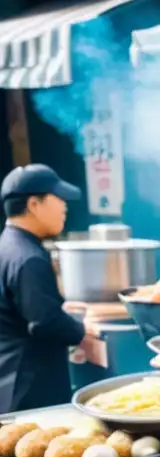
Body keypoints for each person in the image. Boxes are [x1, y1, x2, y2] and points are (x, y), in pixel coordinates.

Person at [0, 164, 96, 415]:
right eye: (58, 198)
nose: (65, 206)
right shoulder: (28, 257)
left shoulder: (7, 246)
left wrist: (61, 308)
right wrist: (82, 330)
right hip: (30, 390)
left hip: (9, 379)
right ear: (34, 204)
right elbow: (45, 323)